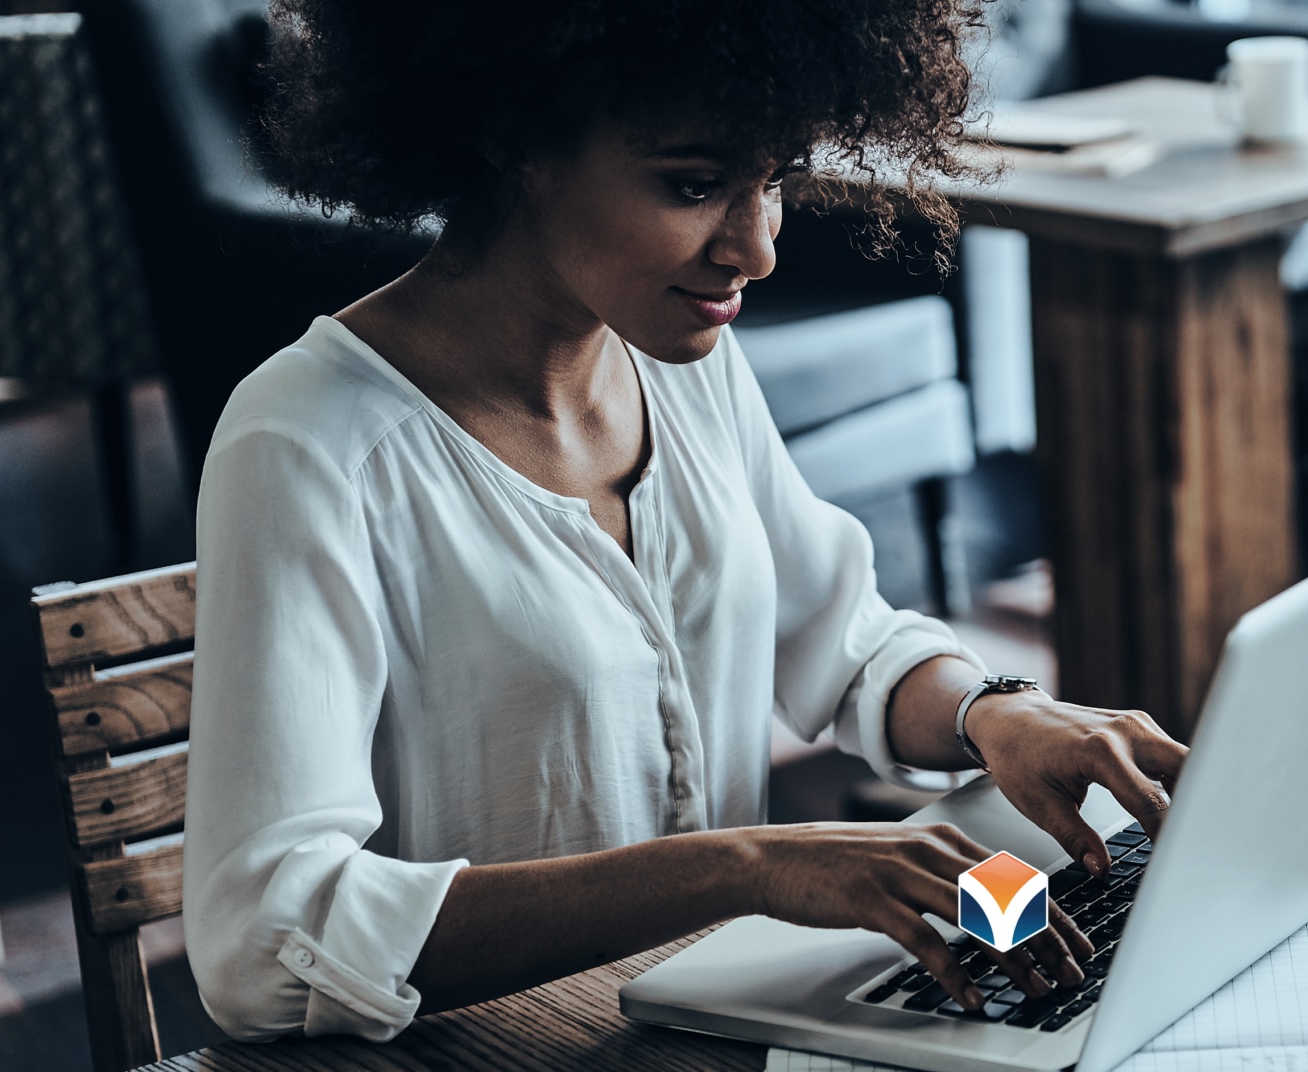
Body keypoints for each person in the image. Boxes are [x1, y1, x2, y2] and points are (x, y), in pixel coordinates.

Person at [182, 0, 1188, 1043]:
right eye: (694, 186)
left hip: (709, 1026)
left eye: (777, 180)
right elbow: (261, 940)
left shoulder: (677, 362)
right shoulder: (308, 444)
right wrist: (744, 867)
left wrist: (996, 711)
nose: (755, 251)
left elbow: (841, 644)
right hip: (490, 1049)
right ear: (510, 136)